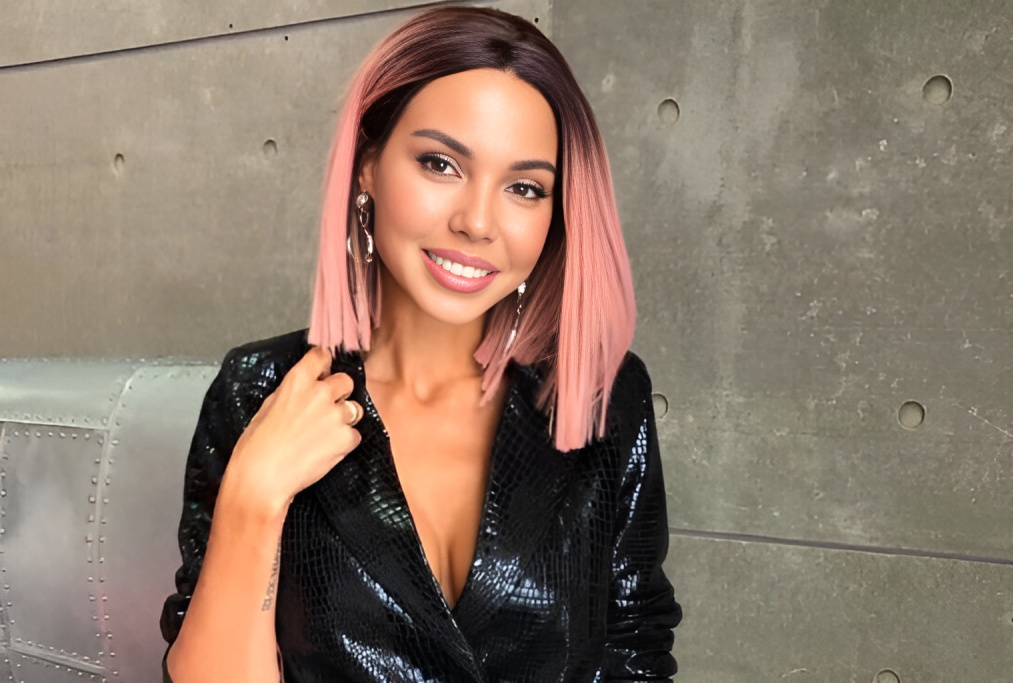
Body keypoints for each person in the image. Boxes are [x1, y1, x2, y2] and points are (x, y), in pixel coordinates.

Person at [160, 6, 681, 682]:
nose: (477, 221)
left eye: (525, 187)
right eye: (441, 164)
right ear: (367, 167)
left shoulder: (601, 394)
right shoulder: (259, 387)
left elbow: (637, 651)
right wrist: (253, 500)